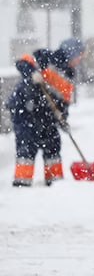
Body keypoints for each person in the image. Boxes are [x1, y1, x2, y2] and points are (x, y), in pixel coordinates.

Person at [5, 38, 86, 187]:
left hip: (45, 115)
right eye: (79, 55)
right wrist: (32, 73)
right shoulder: (46, 57)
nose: (80, 59)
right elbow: (22, 62)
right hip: (25, 111)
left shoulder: (69, 75)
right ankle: (22, 184)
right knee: (27, 148)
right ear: (70, 53)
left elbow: (63, 104)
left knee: (53, 143)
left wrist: (63, 120)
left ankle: (55, 183)